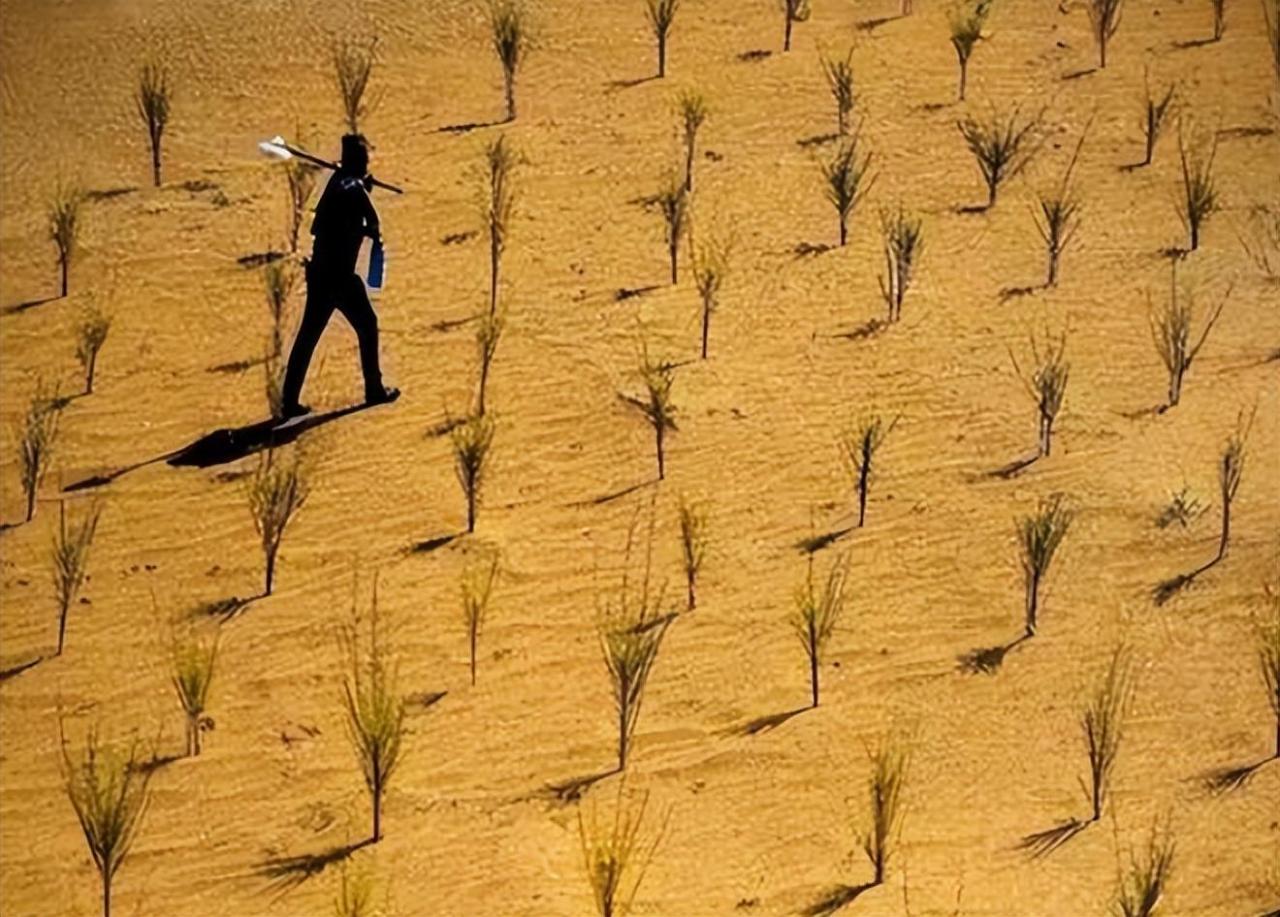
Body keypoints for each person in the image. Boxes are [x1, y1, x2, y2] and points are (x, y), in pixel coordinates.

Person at [279, 133, 399, 420]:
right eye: (365, 161)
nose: (368, 165)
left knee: (308, 336)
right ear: (357, 163)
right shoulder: (352, 188)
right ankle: (374, 390)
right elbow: (373, 222)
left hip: (320, 274)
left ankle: (288, 400)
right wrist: (362, 194)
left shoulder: (337, 183)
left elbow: (327, 221)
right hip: (340, 278)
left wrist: (359, 186)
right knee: (367, 325)